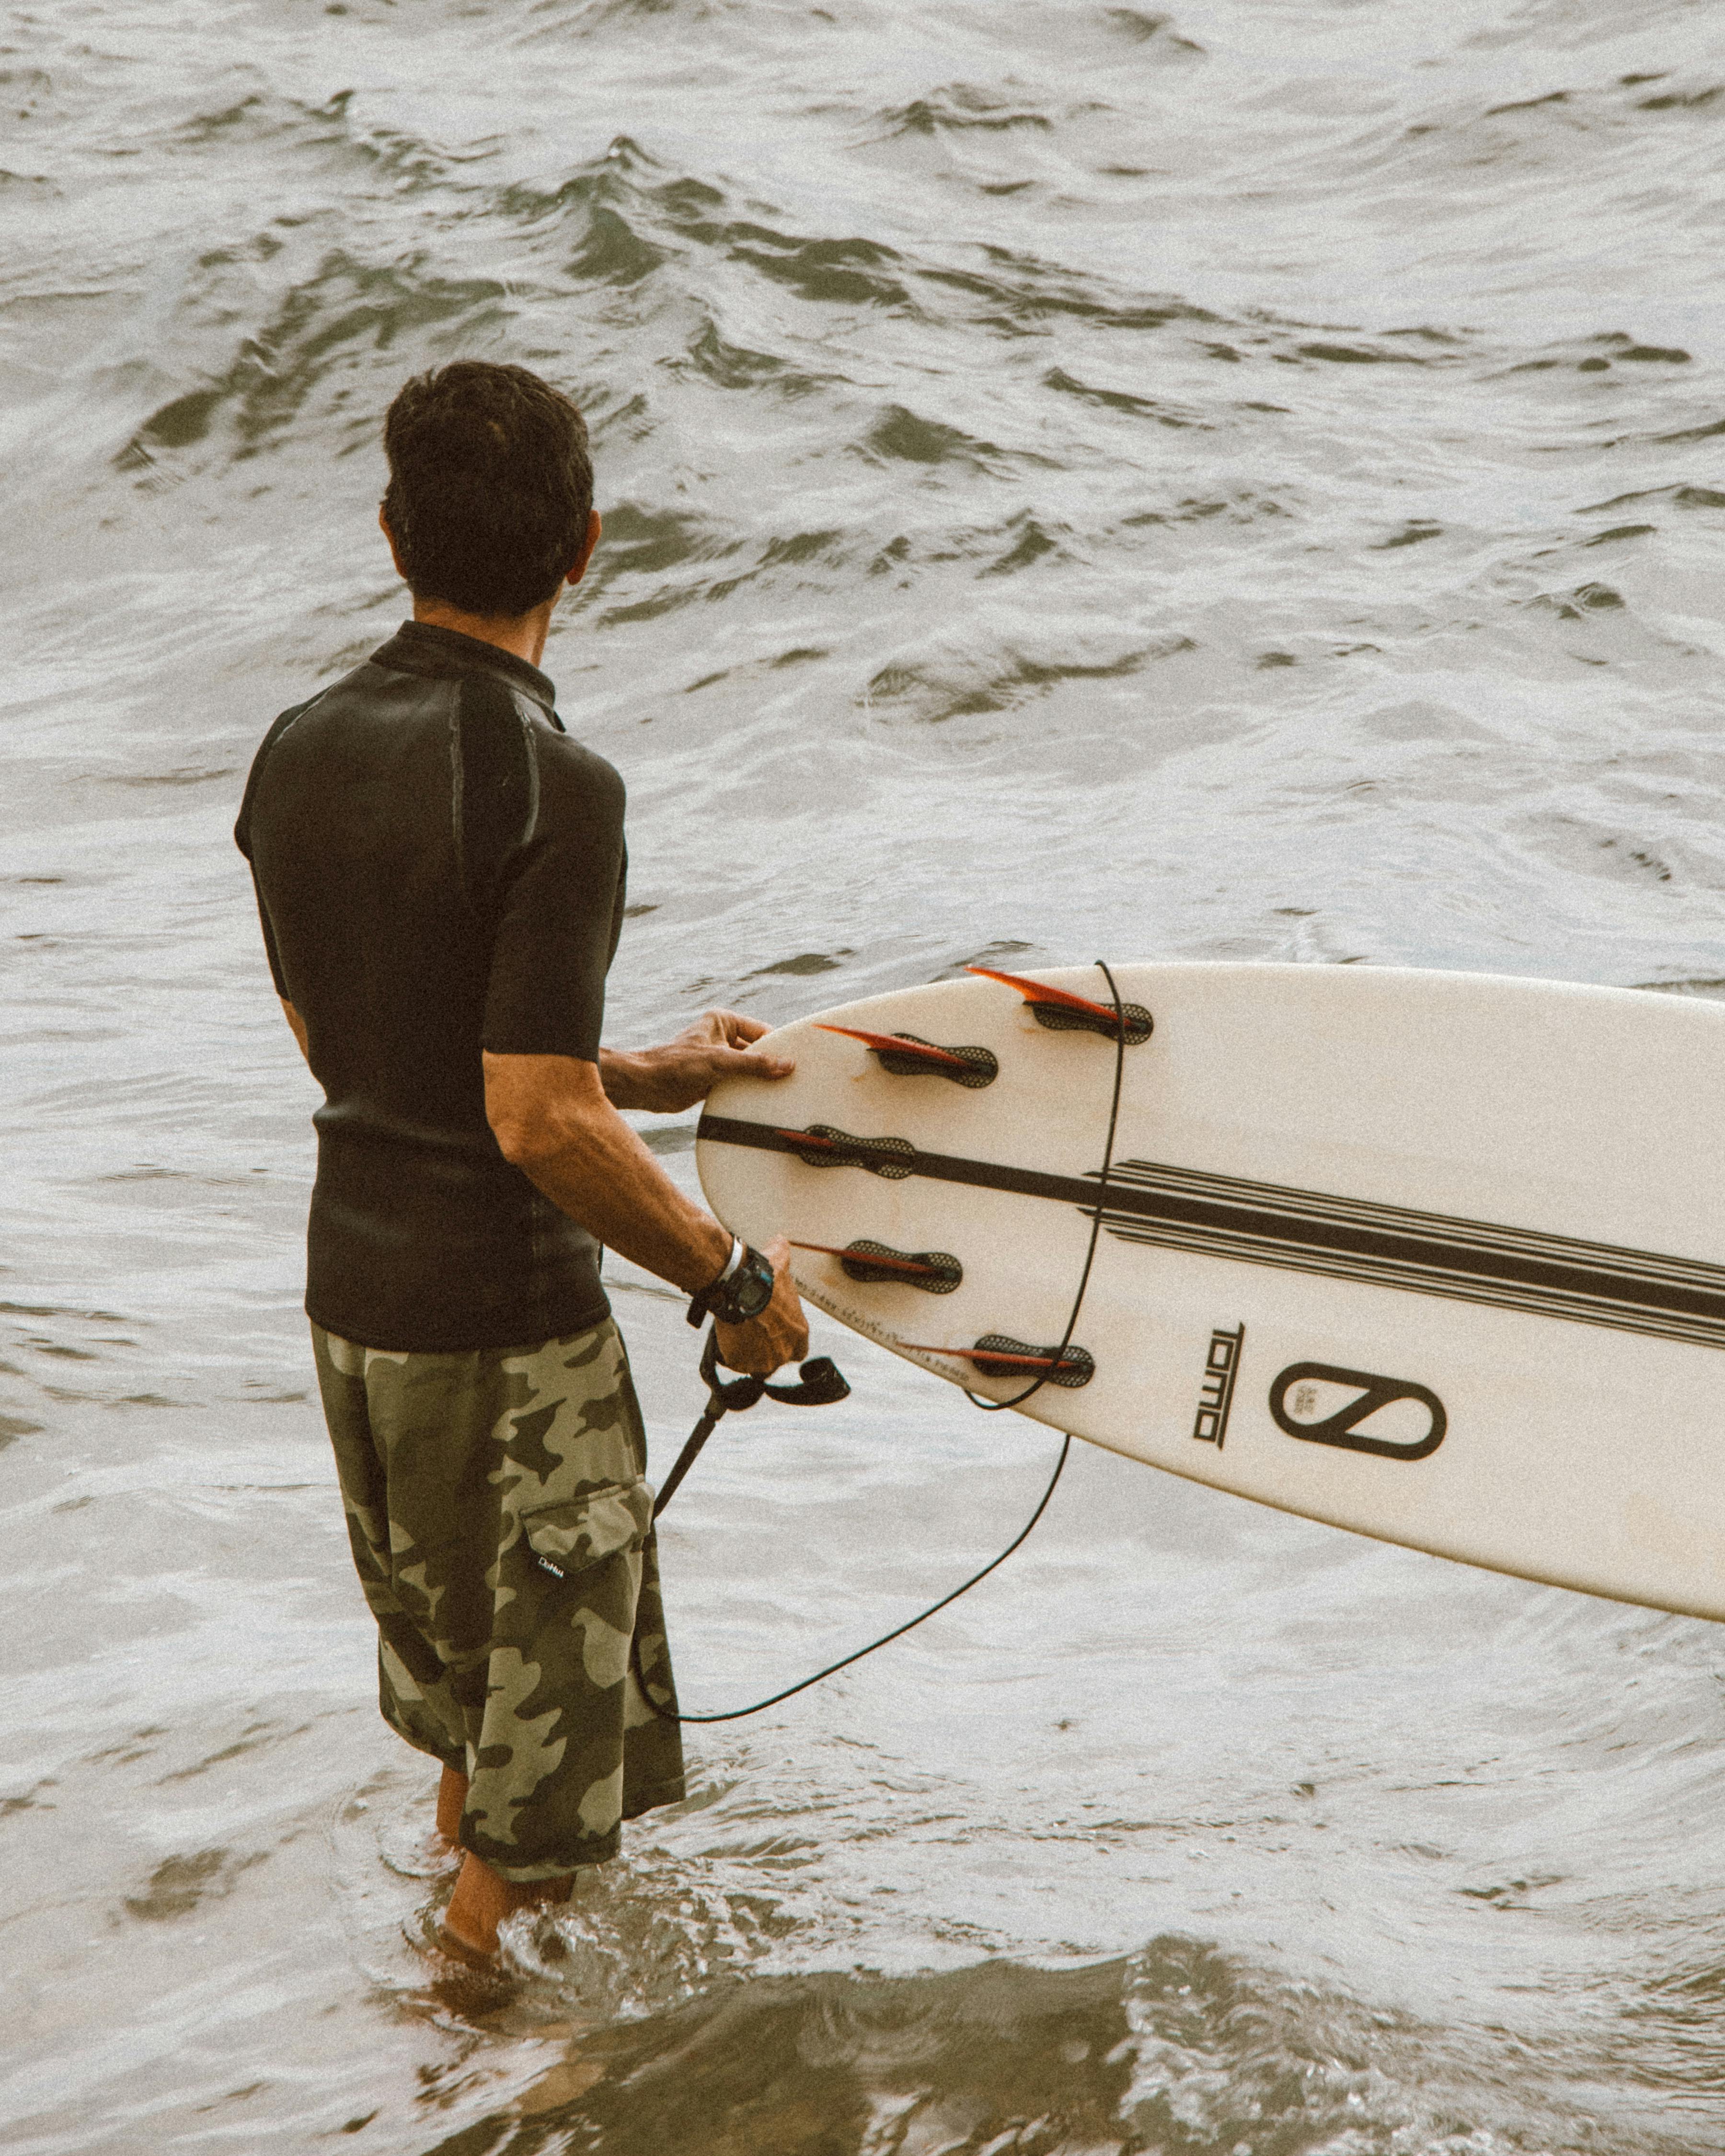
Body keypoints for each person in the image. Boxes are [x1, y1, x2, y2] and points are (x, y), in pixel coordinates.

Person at [233, 360, 808, 1962]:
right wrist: (734, 1279)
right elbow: (532, 1122)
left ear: (392, 533)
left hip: (357, 1320)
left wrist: (633, 1072)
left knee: (479, 1737)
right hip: (505, 1347)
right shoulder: (560, 784)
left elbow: (351, 1046)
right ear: (586, 547)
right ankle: (463, 2055)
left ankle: (432, 2035)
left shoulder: (295, 748)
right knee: (541, 1824)